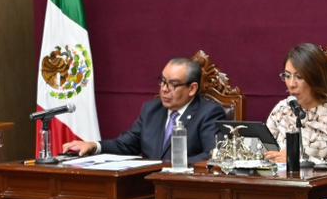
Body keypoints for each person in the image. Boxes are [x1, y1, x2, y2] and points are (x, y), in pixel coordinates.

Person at [61, 57, 224, 162]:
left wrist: (173, 166)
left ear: (192, 89)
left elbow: (213, 155)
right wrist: (94, 146)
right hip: (146, 188)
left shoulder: (209, 113)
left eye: (173, 84)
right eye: (162, 81)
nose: (164, 89)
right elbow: (127, 145)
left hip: (185, 189)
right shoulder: (152, 110)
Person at [263, 43, 327, 167]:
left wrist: (299, 160)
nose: (291, 84)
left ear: (316, 79)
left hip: (320, 180)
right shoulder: (282, 110)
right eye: (287, 76)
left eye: (299, 77)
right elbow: (264, 153)